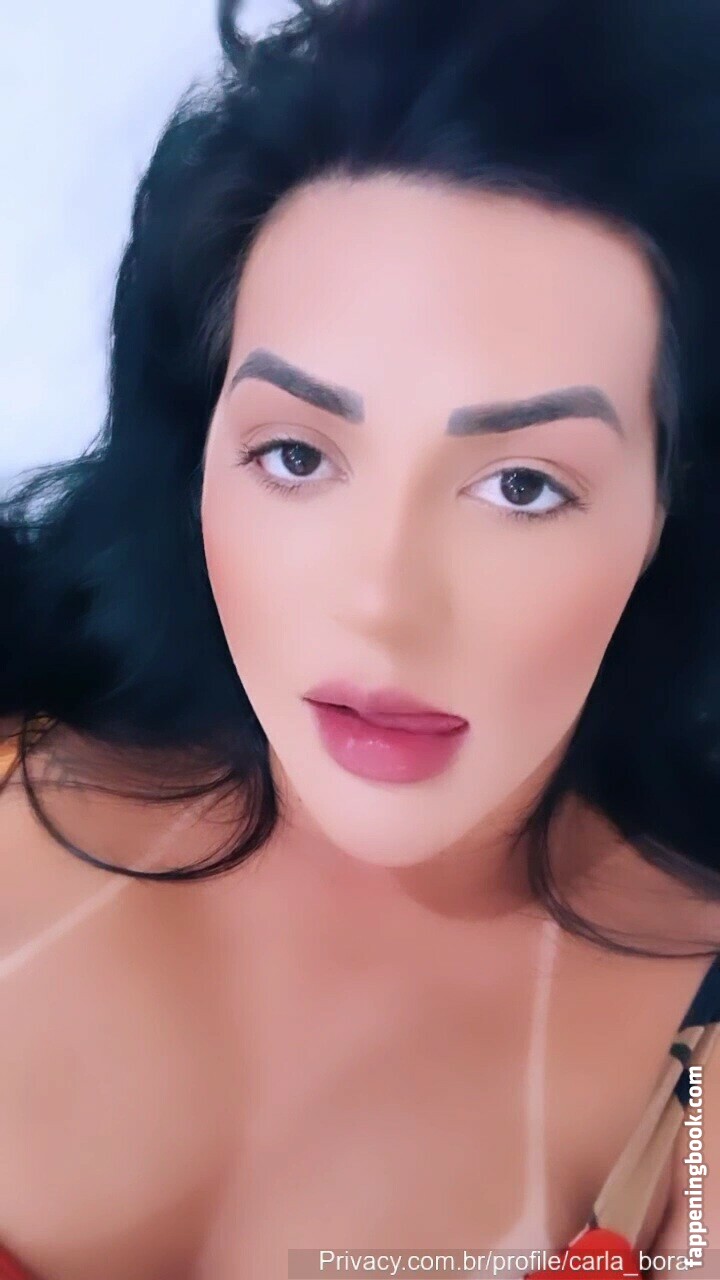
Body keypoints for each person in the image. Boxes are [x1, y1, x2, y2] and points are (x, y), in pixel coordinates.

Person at [2, 0, 720, 1276]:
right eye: (296, 454)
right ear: (195, 453)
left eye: (522, 486)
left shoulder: (699, 1090)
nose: (383, 600)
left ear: (672, 511)